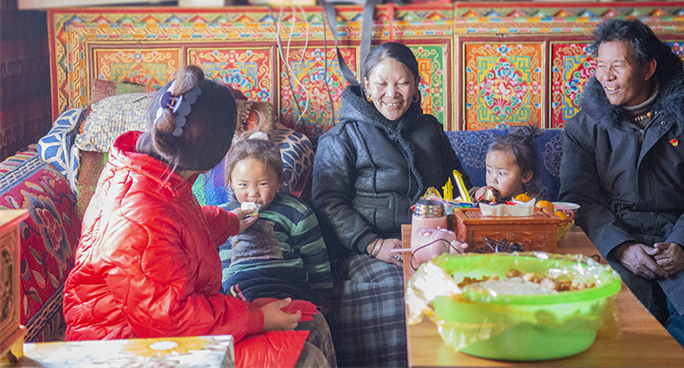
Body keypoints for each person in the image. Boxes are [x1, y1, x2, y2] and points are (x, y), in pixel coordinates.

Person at [63, 65, 329, 368]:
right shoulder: (137, 215)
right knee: (306, 359)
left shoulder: (153, 173)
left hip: (163, 332)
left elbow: (177, 228)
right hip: (127, 350)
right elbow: (173, 319)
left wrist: (230, 221)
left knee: (311, 324)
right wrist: (257, 317)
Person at [558, 19, 684, 367]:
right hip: (619, 245)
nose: (606, 76)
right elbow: (579, 198)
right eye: (601, 66)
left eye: (618, 65)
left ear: (648, 67)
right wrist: (621, 247)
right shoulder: (584, 127)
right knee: (618, 321)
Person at [312, 41, 471, 368]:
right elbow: (328, 204)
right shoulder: (342, 137)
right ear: (366, 86)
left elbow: (459, 183)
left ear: (415, 85)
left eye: (402, 82)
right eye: (381, 83)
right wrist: (373, 244)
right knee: (404, 293)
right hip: (366, 251)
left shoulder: (429, 130)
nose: (392, 93)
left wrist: (473, 199)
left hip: (432, 241)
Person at [219, 130, 337, 367]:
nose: (253, 193)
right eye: (243, 184)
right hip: (241, 298)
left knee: (317, 329)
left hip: (290, 292)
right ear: (230, 183)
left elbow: (315, 255)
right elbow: (214, 265)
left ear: (279, 182)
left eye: (263, 184)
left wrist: (323, 292)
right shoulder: (221, 218)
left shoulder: (295, 211)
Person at [471, 125, 540, 203]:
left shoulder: (533, 203)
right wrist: (476, 195)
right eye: (489, 171)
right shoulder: (485, 196)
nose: (492, 179)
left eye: (501, 173)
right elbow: (467, 196)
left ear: (525, 176)